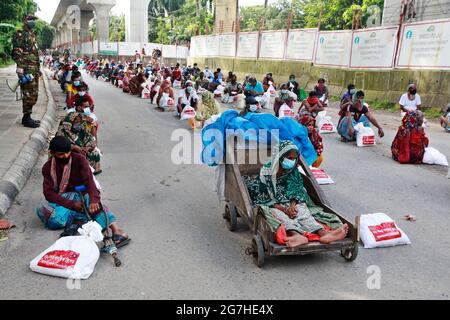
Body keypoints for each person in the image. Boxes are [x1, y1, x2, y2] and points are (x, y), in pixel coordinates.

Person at [243, 141, 348, 248]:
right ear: (280, 157)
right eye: (289, 158)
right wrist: (284, 210)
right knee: (278, 215)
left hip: (289, 199)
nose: (292, 161)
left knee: (302, 210)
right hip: (273, 203)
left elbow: (296, 188)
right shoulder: (266, 172)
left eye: (294, 159)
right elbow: (263, 196)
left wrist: (292, 206)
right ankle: (297, 235)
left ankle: (323, 233)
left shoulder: (292, 170)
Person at [36, 136, 130, 246]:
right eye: (61, 154)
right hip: (65, 198)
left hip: (83, 194)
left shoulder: (79, 160)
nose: (65, 156)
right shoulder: (47, 168)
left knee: (93, 204)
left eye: (67, 152)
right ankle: (82, 221)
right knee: (43, 211)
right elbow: (49, 194)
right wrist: (72, 204)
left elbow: (89, 181)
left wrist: (94, 201)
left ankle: (116, 230)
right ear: (52, 153)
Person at [12, 13, 41, 128]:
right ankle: (26, 118)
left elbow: (34, 53)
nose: (33, 21)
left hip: (34, 69)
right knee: (28, 93)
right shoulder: (19, 33)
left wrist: (38, 69)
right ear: (25, 20)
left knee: (34, 93)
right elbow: (17, 51)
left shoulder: (32, 34)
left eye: (34, 19)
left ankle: (28, 116)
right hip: (26, 68)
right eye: (31, 19)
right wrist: (20, 68)